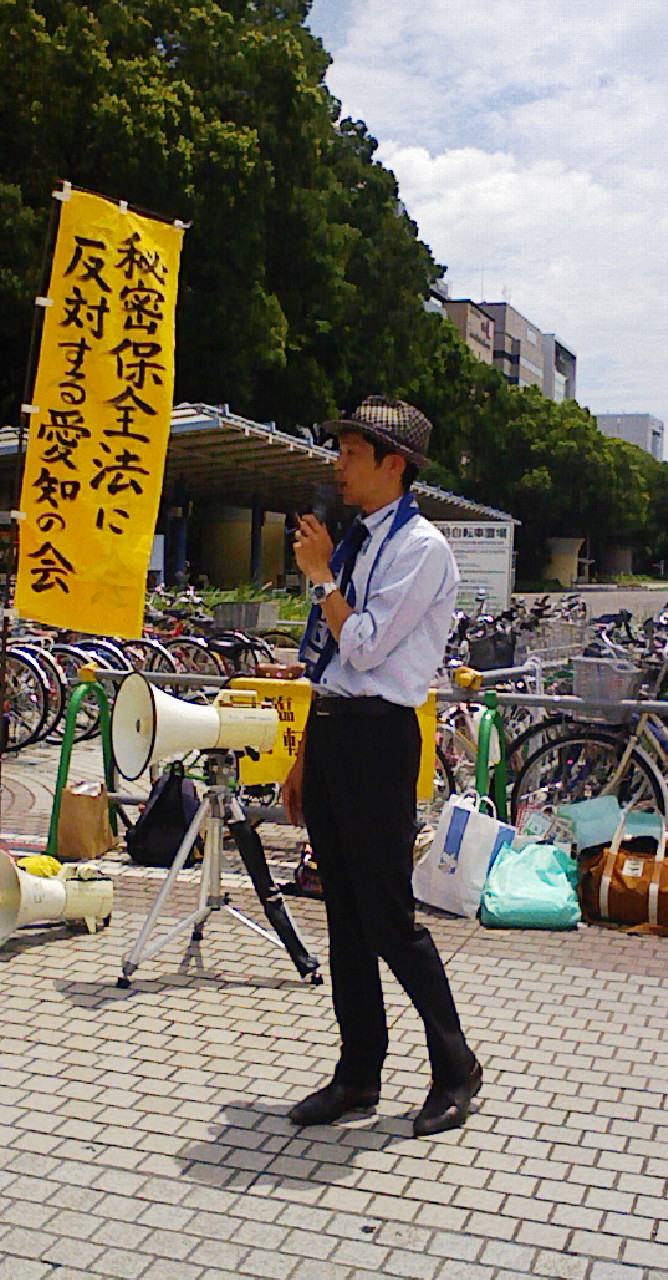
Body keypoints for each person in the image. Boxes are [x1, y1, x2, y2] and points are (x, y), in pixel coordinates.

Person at [283, 395, 481, 1137]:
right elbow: (329, 666)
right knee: (342, 917)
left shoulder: (420, 548)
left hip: (381, 739)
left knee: (391, 918)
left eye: (352, 454)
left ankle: (454, 1063)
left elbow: (364, 644)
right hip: (337, 731)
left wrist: (321, 577)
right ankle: (358, 1073)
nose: (339, 466)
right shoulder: (360, 540)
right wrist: (306, 753)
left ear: (393, 465)